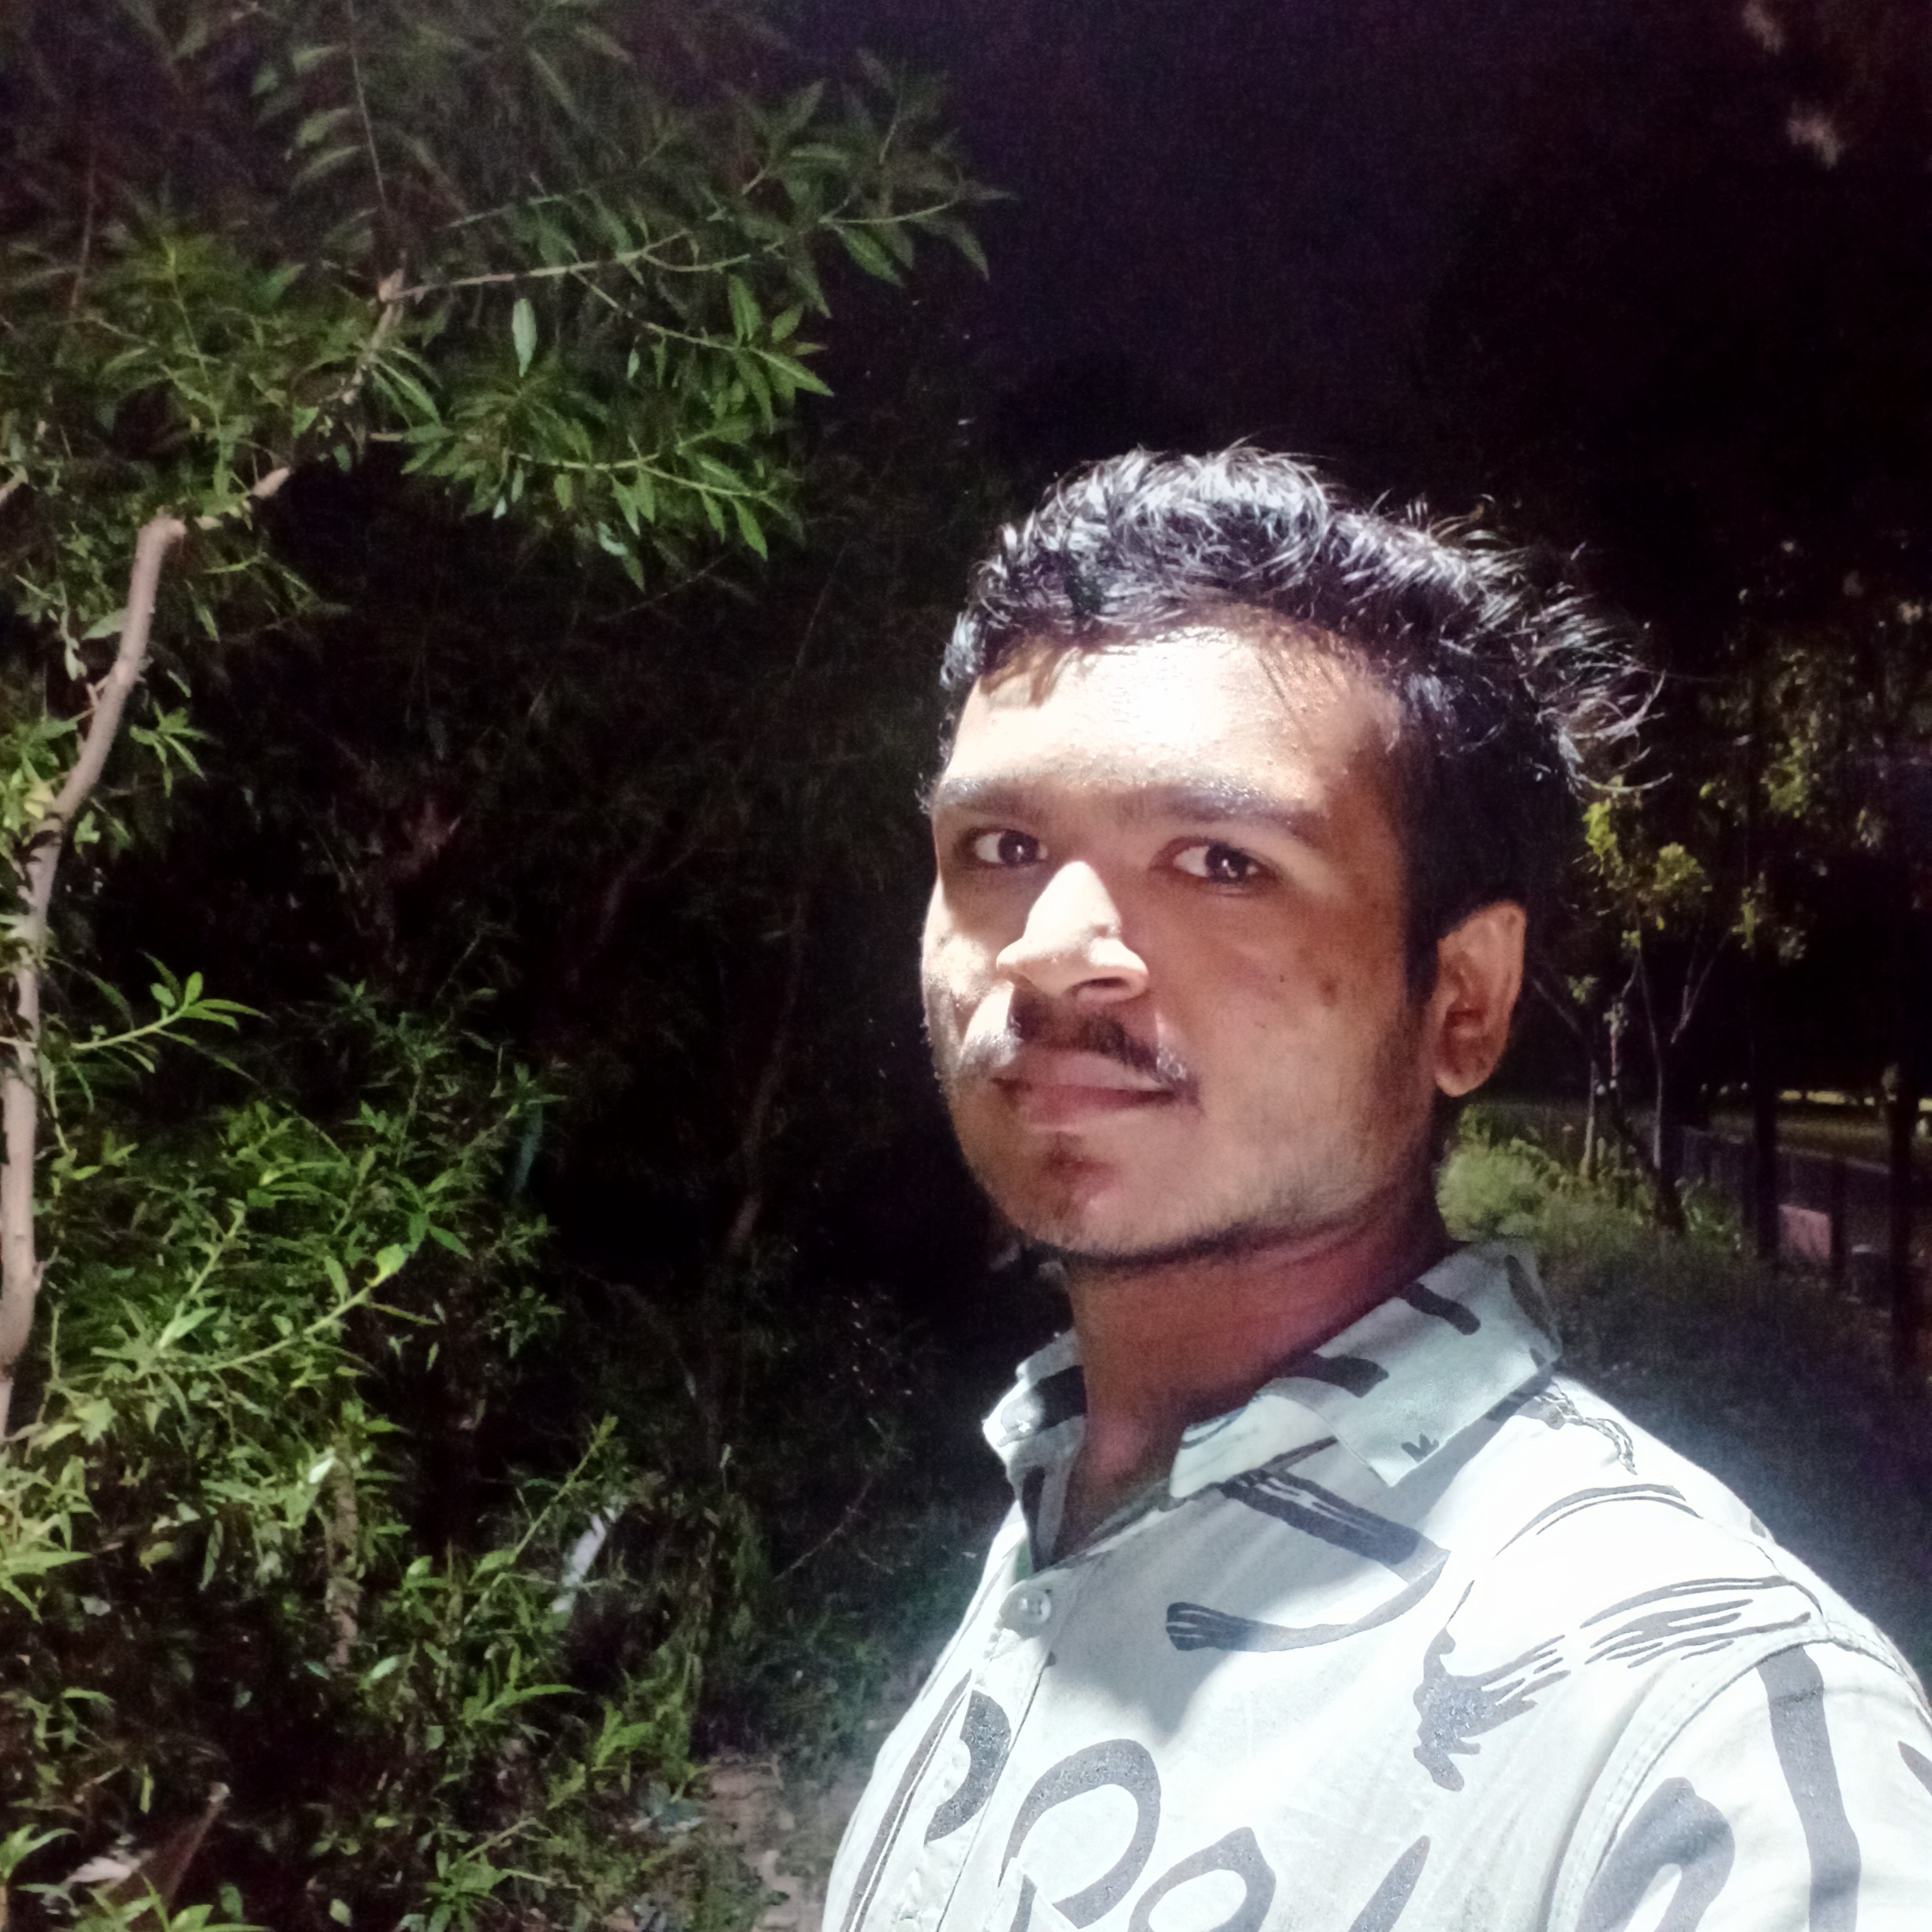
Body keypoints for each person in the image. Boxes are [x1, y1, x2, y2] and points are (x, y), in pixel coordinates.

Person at [822, 450, 1932, 1932]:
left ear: (1462, 1000)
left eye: (1220, 861)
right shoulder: (1068, 1498)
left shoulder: (1697, 1732)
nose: (1048, 947)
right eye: (1003, 848)